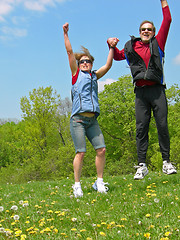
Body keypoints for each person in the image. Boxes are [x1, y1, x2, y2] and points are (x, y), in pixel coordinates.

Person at [107, 0, 176, 180]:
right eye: (143, 29)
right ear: (139, 32)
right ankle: (142, 166)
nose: (146, 31)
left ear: (153, 33)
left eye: (150, 29)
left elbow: (167, 20)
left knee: (162, 126)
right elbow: (117, 57)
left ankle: (166, 162)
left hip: (157, 91)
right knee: (141, 129)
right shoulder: (131, 47)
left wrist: (163, 1)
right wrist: (111, 44)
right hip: (140, 93)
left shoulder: (158, 43)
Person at [63, 22, 117, 197]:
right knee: (81, 152)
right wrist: (65, 34)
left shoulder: (95, 76)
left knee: (101, 150)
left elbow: (108, 66)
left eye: (88, 61)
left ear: (92, 64)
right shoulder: (75, 75)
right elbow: (70, 53)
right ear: (78, 65)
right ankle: (77, 185)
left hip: (92, 120)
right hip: (78, 120)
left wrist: (111, 48)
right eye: (82, 61)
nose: (85, 63)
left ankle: (99, 182)